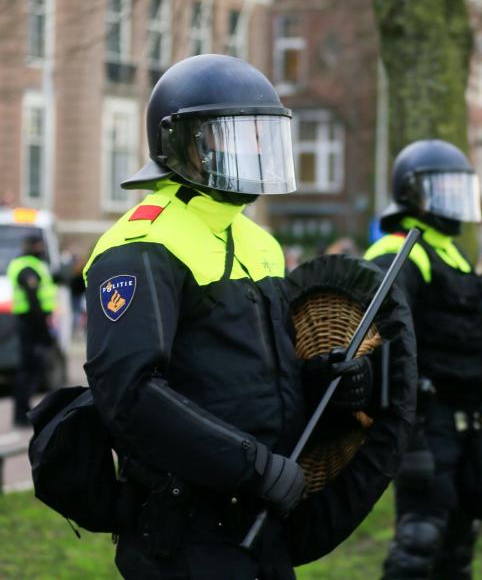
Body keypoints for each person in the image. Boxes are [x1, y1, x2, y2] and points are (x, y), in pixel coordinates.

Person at [83, 55, 415, 579]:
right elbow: (128, 393)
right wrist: (254, 465)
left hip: (265, 515)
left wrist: (322, 384)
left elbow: (249, 378)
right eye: (235, 136)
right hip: (186, 530)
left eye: (263, 137)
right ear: (182, 143)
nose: (254, 152)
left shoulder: (259, 242)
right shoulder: (140, 244)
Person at [368, 140, 482, 578]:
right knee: (419, 538)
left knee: (459, 540)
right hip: (426, 421)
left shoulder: (449, 250)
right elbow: (383, 345)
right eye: (441, 189)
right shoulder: (399, 250)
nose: (453, 202)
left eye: (458, 189)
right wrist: (409, 441)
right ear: (411, 192)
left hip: (467, 420)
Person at [6, 235, 58, 427]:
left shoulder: (30, 264)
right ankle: (21, 415)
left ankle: (24, 412)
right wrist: (44, 329)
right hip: (31, 322)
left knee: (30, 370)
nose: (41, 248)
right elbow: (33, 299)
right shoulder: (27, 267)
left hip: (29, 322)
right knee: (28, 370)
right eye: (39, 245)